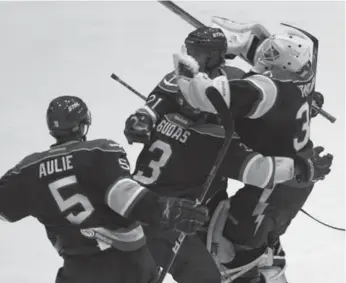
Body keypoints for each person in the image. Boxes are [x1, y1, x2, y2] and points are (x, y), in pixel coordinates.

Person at [124, 27, 332, 283]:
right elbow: (259, 169)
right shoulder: (214, 135)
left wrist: (145, 117)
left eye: (201, 54)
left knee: (236, 239)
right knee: (232, 252)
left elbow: (166, 98)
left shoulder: (176, 115)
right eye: (192, 53)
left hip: (145, 203)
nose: (196, 58)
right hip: (186, 207)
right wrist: (303, 168)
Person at [0, 95, 209, 283]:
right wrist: (167, 210)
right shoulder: (100, 151)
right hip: (128, 264)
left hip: (77, 270)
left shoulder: (28, 170)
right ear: (83, 125)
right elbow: (124, 196)